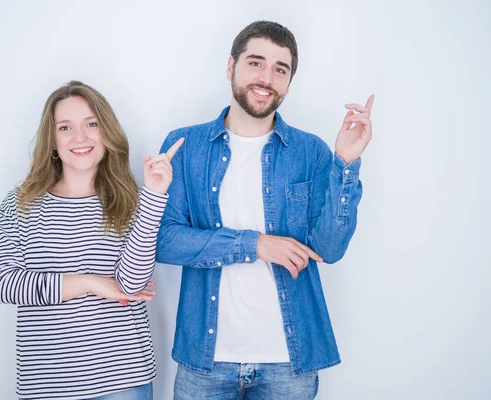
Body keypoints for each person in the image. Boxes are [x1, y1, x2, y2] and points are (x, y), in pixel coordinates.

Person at [156, 21, 374, 399]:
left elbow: (330, 249)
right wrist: (255, 244)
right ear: (231, 67)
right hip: (204, 362)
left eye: (280, 68)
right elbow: (166, 241)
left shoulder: (311, 152)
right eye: (256, 63)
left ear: (288, 81)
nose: (267, 77)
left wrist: (345, 163)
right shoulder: (184, 145)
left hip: (289, 363)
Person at [0, 80, 183, 400]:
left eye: (91, 124)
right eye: (65, 127)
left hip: (124, 380)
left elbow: (132, 285)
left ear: (106, 131)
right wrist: (89, 282)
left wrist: (154, 195)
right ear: (52, 140)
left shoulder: (132, 201)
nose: (80, 137)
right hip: (47, 384)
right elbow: (3, 284)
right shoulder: (19, 204)